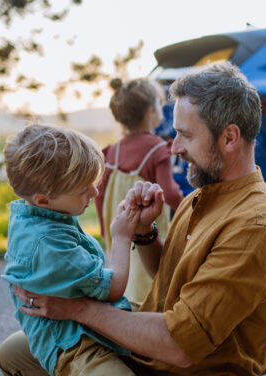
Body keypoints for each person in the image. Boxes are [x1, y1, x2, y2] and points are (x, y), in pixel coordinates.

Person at [0, 62, 266, 375]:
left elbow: (178, 345)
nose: (174, 146)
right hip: (150, 350)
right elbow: (170, 274)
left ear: (230, 137)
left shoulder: (254, 226)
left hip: (184, 364)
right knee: (15, 352)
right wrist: (144, 232)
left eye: (185, 135)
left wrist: (77, 309)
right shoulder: (203, 196)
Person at [1, 124, 140, 375]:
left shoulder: (38, 214)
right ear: (44, 199)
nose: (95, 192)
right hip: (75, 344)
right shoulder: (48, 243)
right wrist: (120, 237)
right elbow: (113, 287)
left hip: (87, 325)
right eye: (83, 190)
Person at [96, 77, 183, 304]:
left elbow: (100, 195)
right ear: (150, 110)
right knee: (150, 280)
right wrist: (191, 210)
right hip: (146, 231)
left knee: (126, 276)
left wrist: (105, 230)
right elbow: (170, 193)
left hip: (119, 227)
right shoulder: (156, 149)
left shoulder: (112, 151)